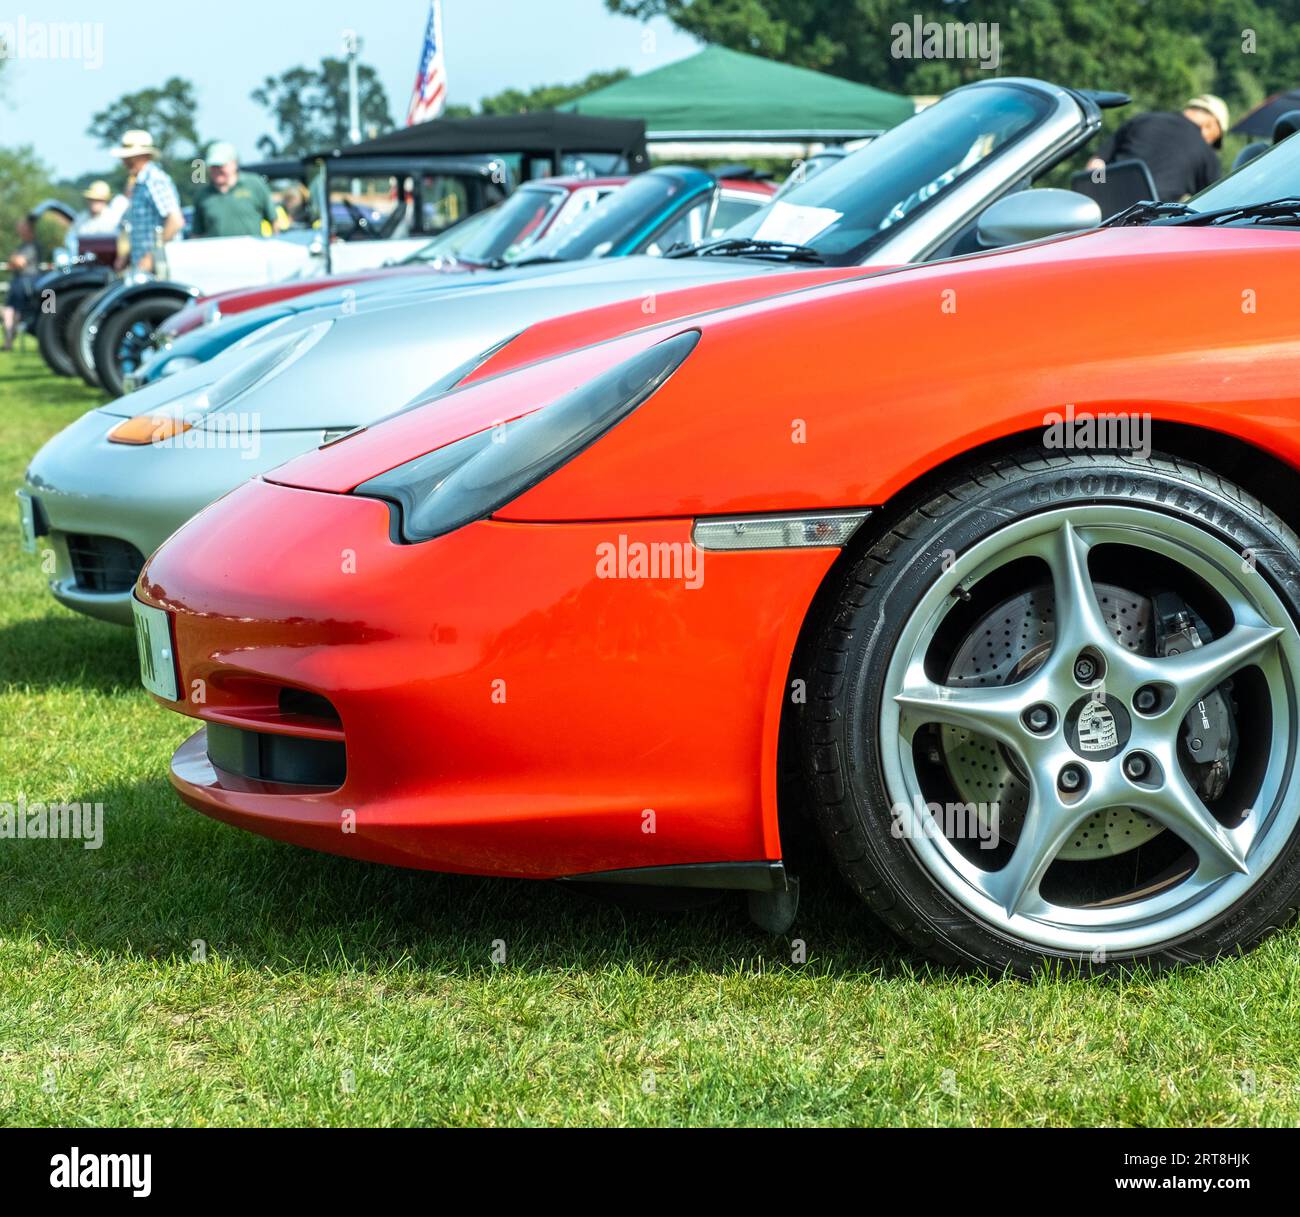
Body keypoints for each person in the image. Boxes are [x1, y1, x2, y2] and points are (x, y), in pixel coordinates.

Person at [1085, 95, 1229, 201]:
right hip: (1147, 228)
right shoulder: (1207, 154)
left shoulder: (1141, 119)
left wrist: (1096, 195)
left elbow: (1096, 164)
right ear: (1210, 126)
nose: (1210, 144)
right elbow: (1212, 205)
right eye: (1214, 139)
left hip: (1103, 212)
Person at [110, 129, 184, 271]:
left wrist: (151, 257)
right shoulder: (141, 182)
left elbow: (175, 222)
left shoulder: (154, 180)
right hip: (147, 265)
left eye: (129, 157)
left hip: (160, 265)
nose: (124, 162)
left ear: (143, 157)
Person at [190, 142, 285, 238]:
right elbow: (196, 234)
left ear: (234, 164)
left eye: (220, 166)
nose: (216, 170)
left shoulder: (254, 184)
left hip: (253, 252)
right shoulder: (202, 195)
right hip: (218, 253)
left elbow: (274, 221)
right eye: (213, 166)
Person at [2, 215, 40, 351]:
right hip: (18, 281)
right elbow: (12, 265)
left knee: (16, 312)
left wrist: (13, 259)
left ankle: (9, 340)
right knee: (9, 311)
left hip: (27, 282)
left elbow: (19, 262)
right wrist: (14, 260)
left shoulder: (32, 246)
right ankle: (8, 341)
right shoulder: (23, 246)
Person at [67, 180, 128, 256]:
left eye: (98, 200)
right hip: (83, 262)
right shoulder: (81, 219)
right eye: (92, 199)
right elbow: (71, 239)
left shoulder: (114, 219)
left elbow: (121, 242)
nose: (94, 203)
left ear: (105, 200)